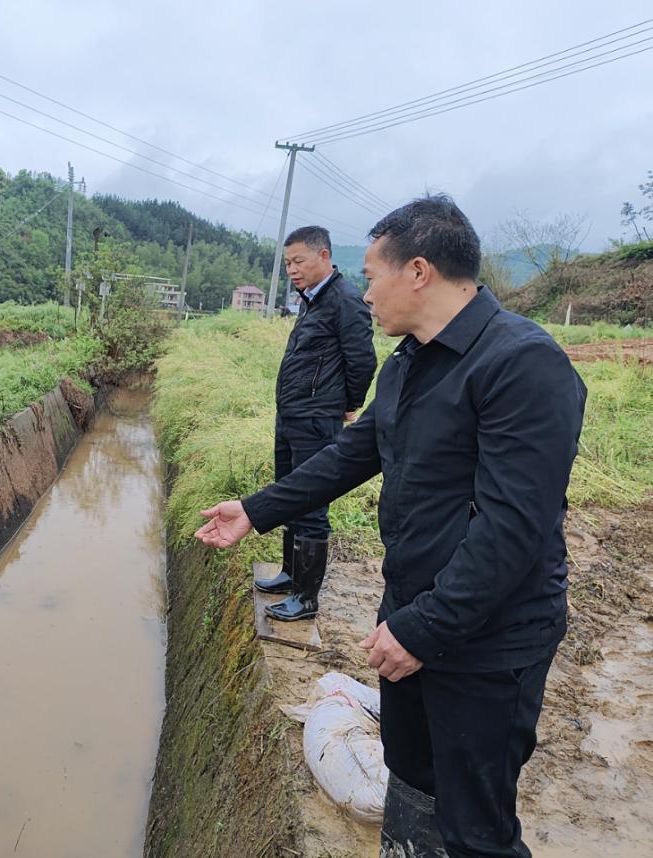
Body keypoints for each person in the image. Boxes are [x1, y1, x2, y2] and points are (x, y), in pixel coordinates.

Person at [195, 195, 586, 857]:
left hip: (486, 637)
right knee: (411, 780)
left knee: (474, 827)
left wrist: (423, 630)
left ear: (418, 271)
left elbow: (512, 529)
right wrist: (256, 509)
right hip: (408, 610)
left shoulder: (521, 364)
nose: (364, 293)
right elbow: (355, 452)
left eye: (370, 276)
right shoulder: (407, 363)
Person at [254, 225, 376, 622]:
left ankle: (306, 598)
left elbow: (362, 361)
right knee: (290, 495)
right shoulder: (312, 300)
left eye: (299, 261)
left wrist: (348, 404)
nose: (292, 269)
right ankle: (290, 574)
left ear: (324, 256)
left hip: (315, 419)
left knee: (310, 506)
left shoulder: (345, 301)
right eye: (287, 262)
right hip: (291, 416)